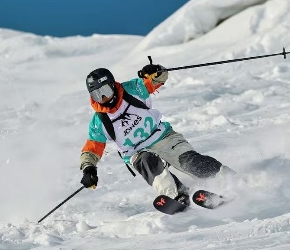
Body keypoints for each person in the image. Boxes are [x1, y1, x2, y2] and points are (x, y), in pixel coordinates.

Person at [79, 63, 233, 205]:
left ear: (112, 85)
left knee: (189, 161)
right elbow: (91, 149)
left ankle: (228, 179)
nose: (103, 98)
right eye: (97, 95)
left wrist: (154, 71)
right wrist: (89, 169)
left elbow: (160, 77)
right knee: (148, 163)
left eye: (105, 91)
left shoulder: (134, 90)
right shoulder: (98, 122)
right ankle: (177, 196)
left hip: (163, 137)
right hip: (137, 152)